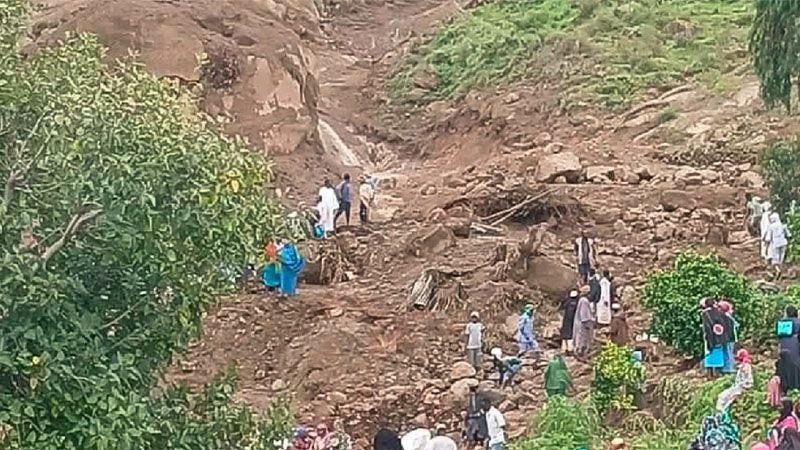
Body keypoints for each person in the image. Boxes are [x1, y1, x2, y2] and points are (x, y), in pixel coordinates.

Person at [701, 297, 733, 377]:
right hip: (720, 338)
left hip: (711, 337)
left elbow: (707, 328)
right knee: (719, 355)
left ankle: (710, 374)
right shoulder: (719, 313)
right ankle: (718, 373)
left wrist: (709, 340)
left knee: (709, 355)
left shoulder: (705, 314)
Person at [778, 306, 800, 393]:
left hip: (783, 349)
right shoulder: (798, 322)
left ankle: (786, 390)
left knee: (785, 370)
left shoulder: (781, 323)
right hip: (795, 349)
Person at [573, 286, 595, 361]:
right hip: (583, 326)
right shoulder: (584, 301)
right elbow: (584, 316)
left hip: (580, 324)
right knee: (583, 340)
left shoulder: (582, 300)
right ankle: (581, 354)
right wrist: (588, 326)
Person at [718, 300, 739, 375]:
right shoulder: (726, 317)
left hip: (729, 338)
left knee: (728, 353)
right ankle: (728, 369)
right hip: (729, 338)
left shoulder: (726, 317)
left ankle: (729, 370)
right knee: (728, 353)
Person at [559, 290, 579, 354]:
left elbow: (561, 308)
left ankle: (564, 348)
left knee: (565, 334)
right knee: (570, 335)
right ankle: (570, 349)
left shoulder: (567, 301)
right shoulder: (576, 303)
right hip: (573, 320)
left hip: (566, 319)